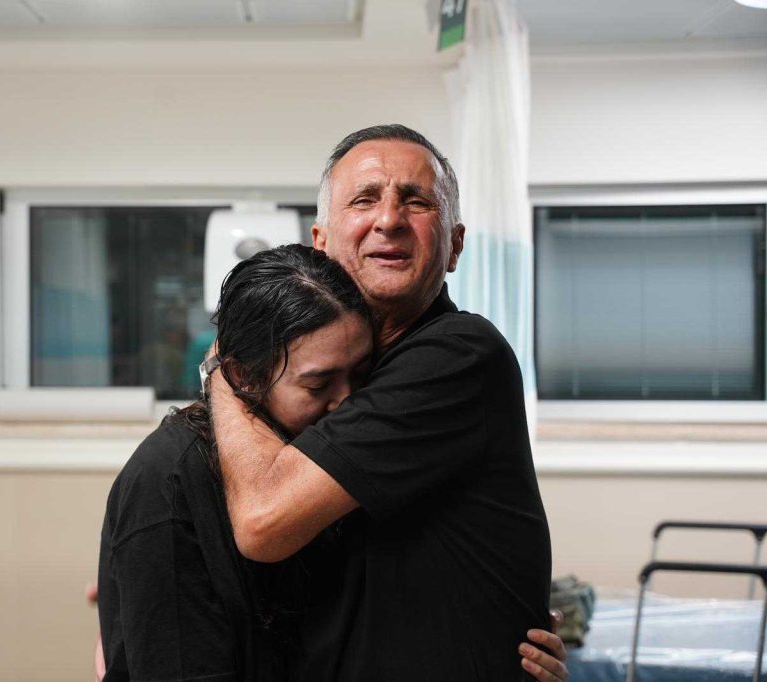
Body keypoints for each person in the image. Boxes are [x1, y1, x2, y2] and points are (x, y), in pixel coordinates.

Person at [97, 244, 567, 681]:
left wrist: (494, 633)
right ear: (245, 377)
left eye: (361, 375)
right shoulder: (170, 479)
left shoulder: (318, 460)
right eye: (318, 385)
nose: (347, 402)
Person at [209, 125, 562, 680]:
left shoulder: (457, 356)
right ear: (319, 243)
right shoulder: (329, 375)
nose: (390, 219)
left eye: (416, 201)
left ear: (455, 246)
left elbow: (263, 521)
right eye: (365, 198)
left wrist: (220, 370)